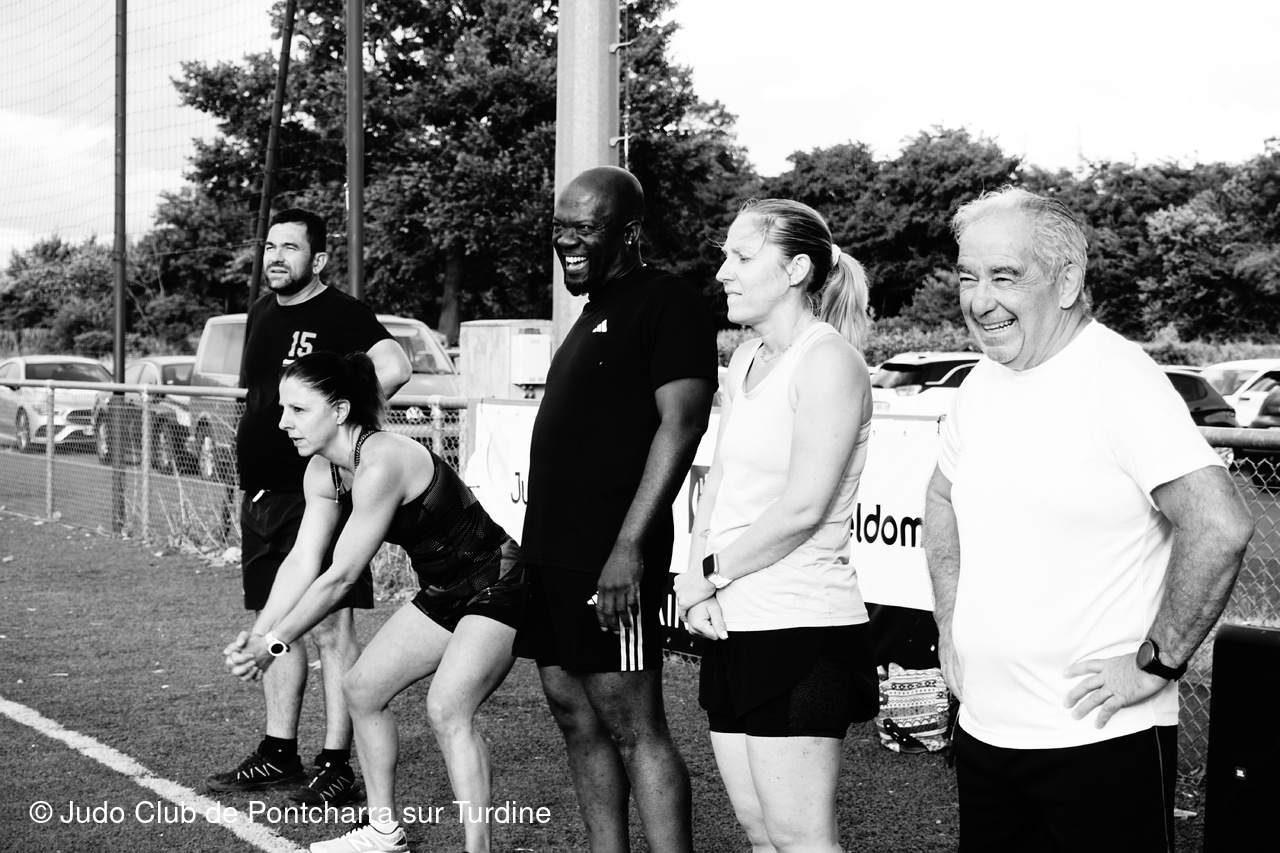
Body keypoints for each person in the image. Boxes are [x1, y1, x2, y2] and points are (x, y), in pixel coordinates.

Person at [923, 186, 1254, 852]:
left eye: (1004, 276)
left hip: (1098, 742)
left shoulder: (1116, 379)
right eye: (967, 277)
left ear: (1068, 280)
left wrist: (1155, 665)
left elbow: (1220, 524)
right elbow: (939, 500)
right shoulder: (981, 384)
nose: (979, 301)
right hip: (987, 732)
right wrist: (949, 621)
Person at [224, 350, 525, 853]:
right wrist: (259, 635)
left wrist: (273, 645)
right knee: (361, 689)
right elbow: (302, 561)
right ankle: (385, 831)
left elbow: (341, 577)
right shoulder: (322, 472)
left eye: (298, 410)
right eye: (282, 409)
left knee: (447, 707)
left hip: (498, 581)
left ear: (339, 410)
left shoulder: (382, 460)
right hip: (444, 592)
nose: (283, 423)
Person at [512, 165, 717, 852]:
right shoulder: (593, 308)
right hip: (554, 552)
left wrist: (629, 547)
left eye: (585, 228)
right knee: (575, 715)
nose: (567, 241)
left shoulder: (667, 299)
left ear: (628, 232)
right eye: (559, 228)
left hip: (610, 554)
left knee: (634, 726)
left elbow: (682, 424)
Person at [674, 198, 879, 853]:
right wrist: (694, 575)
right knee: (760, 832)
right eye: (725, 256)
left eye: (741, 256)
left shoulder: (829, 362)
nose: (722, 272)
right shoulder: (745, 358)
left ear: (795, 269)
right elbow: (720, 482)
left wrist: (708, 576)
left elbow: (803, 507)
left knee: (801, 839)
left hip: (801, 626)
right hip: (733, 622)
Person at [207, 208, 411, 806]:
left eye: (290, 248)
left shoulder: (342, 314)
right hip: (262, 493)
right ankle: (279, 752)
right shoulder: (262, 311)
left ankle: (336, 764)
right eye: (270, 246)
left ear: (317, 259)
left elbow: (396, 366)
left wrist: (340, 422)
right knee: (276, 620)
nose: (276, 257)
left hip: (315, 494)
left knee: (329, 626)